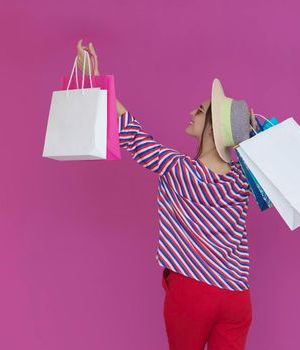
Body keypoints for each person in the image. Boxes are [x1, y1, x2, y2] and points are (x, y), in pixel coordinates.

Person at [76, 39, 258, 350]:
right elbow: (262, 151)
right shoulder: (245, 179)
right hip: (237, 296)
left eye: (200, 112)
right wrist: (246, 127)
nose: (192, 113)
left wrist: (95, 78)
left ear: (213, 130)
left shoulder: (177, 168)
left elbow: (131, 133)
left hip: (193, 288)